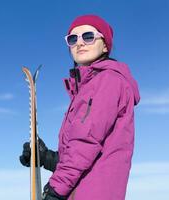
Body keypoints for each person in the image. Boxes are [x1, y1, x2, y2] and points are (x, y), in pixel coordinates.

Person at [19, 14, 140, 200]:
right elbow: (85, 153)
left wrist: (55, 190)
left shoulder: (107, 80)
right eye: (73, 39)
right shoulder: (88, 88)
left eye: (89, 36)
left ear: (105, 45)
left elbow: (85, 143)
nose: (80, 43)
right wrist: (46, 158)